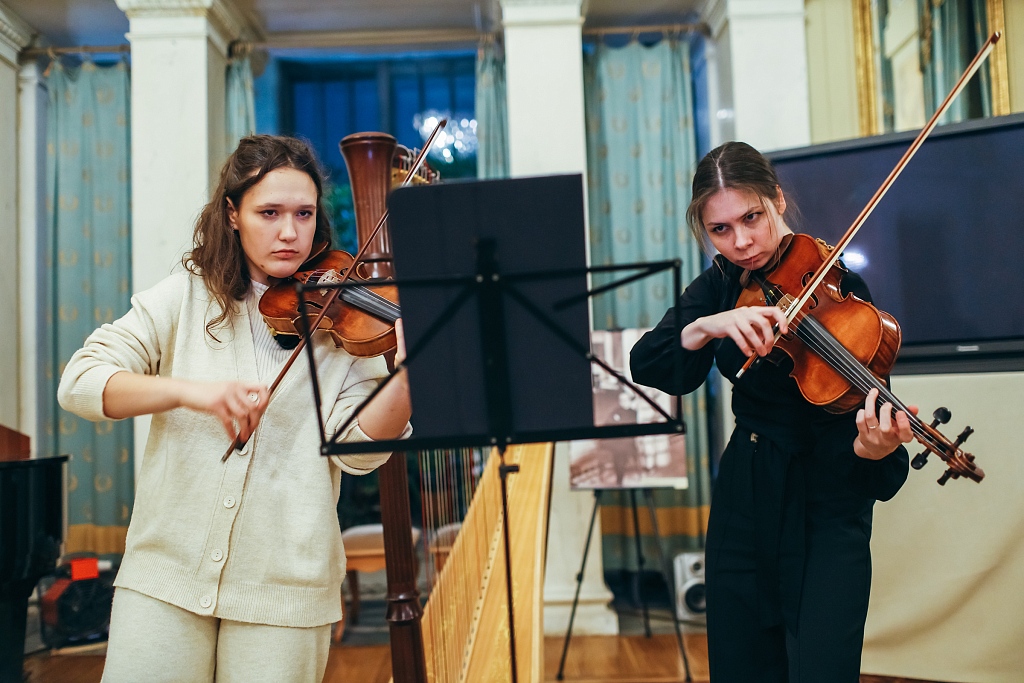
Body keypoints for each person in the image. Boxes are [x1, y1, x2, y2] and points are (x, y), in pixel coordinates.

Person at [57, 135, 411, 683]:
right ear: (232, 214)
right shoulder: (187, 296)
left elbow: (360, 454)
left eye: (304, 214)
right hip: (164, 580)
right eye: (269, 213)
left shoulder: (341, 322)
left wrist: (411, 373)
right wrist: (190, 392)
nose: (289, 232)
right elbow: (80, 382)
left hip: (285, 593)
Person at [630, 141, 914, 682]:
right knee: (742, 665)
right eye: (720, 229)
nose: (741, 242)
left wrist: (871, 447)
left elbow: (866, 437)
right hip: (747, 496)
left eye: (751, 218)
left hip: (826, 507)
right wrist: (706, 326)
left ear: (777, 200)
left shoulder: (838, 286)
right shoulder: (722, 283)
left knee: (822, 668)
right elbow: (648, 361)